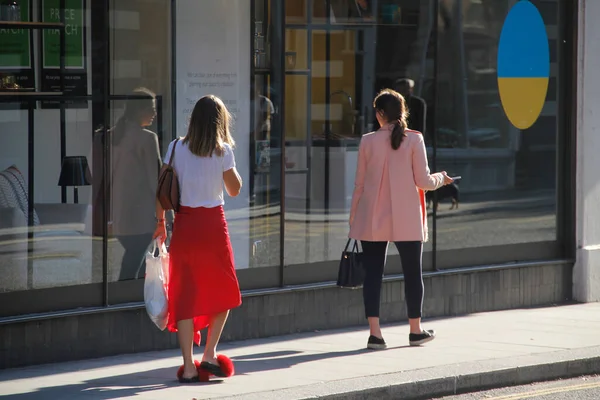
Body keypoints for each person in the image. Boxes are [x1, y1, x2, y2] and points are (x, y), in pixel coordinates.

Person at [349, 89, 453, 350]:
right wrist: (443, 178)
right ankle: (415, 330)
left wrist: (354, 220)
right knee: (412, 274)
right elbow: (424, 182)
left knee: (373, 274)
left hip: (372, 218)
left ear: (380, 114)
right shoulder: (414, 140)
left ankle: (375, 335)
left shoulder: (367, 141)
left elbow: (359, 185)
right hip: (407, 218)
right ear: (402, 112)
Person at [154, 95, 243, 382]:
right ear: (220, 122)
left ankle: (188, 366)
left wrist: (160, 223)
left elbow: (162, 188)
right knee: (224, 292)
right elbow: (234, 190)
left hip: (186, 227)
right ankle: (209, 353)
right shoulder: (223, 150)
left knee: (185, 296)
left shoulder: (176, 147)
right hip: (214, 227)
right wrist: (227, 165)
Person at [91, 87, 161, 280]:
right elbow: (156, 182)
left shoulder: (106, 137)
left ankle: (127, 298)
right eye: (152, 109)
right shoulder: (147, 138)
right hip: (141, 216)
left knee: (135, 262)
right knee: (134, 264)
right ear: (139, 111)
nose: (155, 114)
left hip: (116, 215)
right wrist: (167, 216)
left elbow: (97, 177)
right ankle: (124, 299)